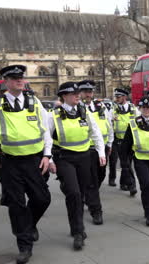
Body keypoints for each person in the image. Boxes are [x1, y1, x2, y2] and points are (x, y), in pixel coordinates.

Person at [0, 65, 52, 264]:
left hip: (34, 160)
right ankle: (24, 246)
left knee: (42, 198)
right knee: (16, 205)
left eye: (21, 77)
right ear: (5, 81)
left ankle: (28, 225)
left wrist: (47, 155)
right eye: (14, 78)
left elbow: (46, 131)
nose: (19, 80)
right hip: (10, 162)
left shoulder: (34, 100)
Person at [47, 82, 106, 251]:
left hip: (84, 157)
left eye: (77, 93)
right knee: (73, 193)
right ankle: (78, 232)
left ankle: (77, 227)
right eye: (73, 94)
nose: (77, 95)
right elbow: (47, 138)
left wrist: (101, 153)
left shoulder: (84, 111)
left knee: (81, 193)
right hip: (64, 158)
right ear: (64, 96)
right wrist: (49, 159)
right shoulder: (54, 115)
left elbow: (95, 132)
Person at [121, 96, 149, 226]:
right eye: (144, 108)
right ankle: (148, 213)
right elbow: (125, 146)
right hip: (141, 160)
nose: (146, 110)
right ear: (140, 109)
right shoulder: (133, 124)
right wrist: (125, 164)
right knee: (147, 185)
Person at [79, 80, 114, 225]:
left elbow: (108, 124)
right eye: (85, 92)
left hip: (102, 148)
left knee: (101, 175)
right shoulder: (77, 108)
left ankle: (87, 195)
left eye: (90, 92)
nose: (88, 94)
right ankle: (96, 211)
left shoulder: (101, 107)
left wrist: (110, 143)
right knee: (92, 180)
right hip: (86, 149)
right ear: (80, 93)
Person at [109, 88, 138, 195]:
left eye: (118, 97)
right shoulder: (113, 110)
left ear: (125, 97)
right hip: (118, 141)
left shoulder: (134, 109)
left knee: (126, 163)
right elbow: (109, 126)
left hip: (130, 141)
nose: (116, 99)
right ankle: (132, 186)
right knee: (125, 163)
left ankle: (122, 183)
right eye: (116, 97)